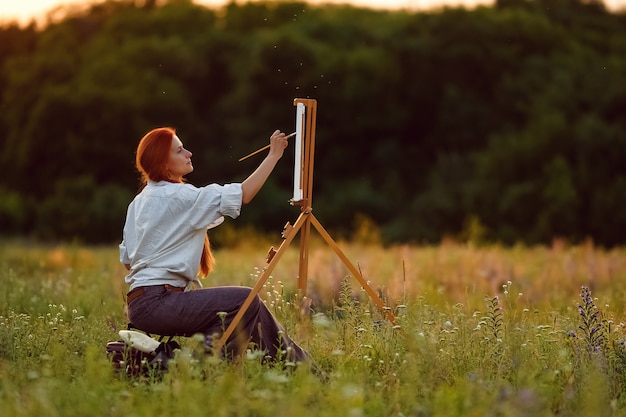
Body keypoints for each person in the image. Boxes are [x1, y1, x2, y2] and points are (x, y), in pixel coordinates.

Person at [119, 127, 312, 365]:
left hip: (139, 303)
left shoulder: (137, 203)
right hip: (159, 303)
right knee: (244, 300)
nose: (189, 153)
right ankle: (199, 366)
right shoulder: (179, 196)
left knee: (252, 309)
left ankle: (301, 367)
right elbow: (243, 194)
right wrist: (273, 155)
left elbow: (128, 262)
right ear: (163, 163)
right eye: (180, 151)